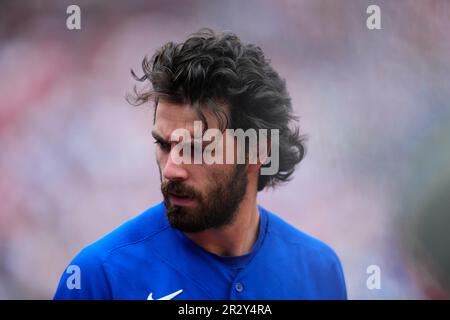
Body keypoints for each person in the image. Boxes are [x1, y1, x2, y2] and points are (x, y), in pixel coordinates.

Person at [53, 29, 347, 300]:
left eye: (196, 149)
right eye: (164, 145)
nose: (171, 170)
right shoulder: (99, 278)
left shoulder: (319, 272)